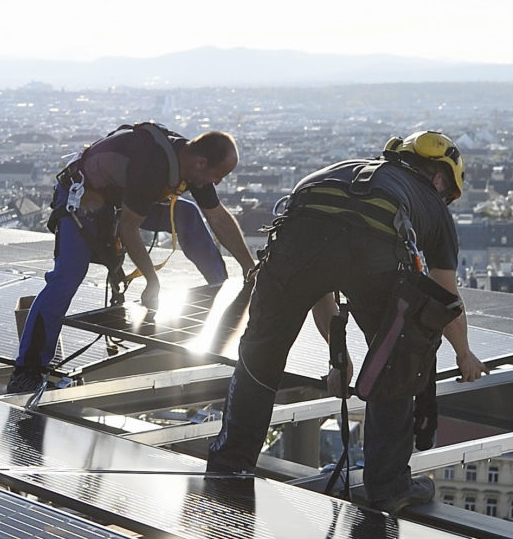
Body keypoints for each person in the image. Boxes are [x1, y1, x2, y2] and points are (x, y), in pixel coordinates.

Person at [203, 131, 490, 513]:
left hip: (296, 237)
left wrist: (338, 359)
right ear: (440, 177)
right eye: (448, 193)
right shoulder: (431, 207)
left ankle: (230, 463)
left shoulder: (336, 173)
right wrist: (464, 354)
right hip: (373, 250)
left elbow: (319, 281)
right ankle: (388, 486)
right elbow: (446, 299)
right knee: (398, 358)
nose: (446, 201)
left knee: (259, 355)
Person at [12, 123, 255, 389]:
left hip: (118, 199)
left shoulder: (187, 160)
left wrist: (248, 266)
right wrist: (152, 281)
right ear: (201, 163)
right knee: (67, 277)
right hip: (82, 201)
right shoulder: (152, 167)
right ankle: (28, 368)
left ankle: (219, 292)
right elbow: (129, 228)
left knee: (189, 215)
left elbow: (217, 216)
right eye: (218, 175)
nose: (217, 182)